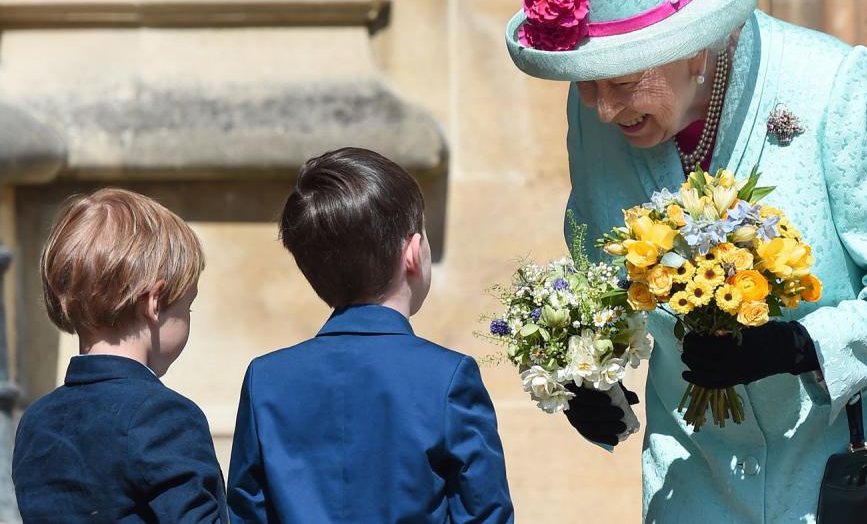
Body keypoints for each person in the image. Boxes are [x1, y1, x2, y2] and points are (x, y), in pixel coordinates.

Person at [504, 0, 867, 520]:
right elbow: (600, 273)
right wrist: (591, 378)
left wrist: (799, 345)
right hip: (697, 476)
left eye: (623, 81)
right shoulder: (591, 111)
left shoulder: (831, 85)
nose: (604, 109)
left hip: (852, 471)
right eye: (587, 82)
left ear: (695, 47)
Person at [227, 147, 514, 523]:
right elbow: (485, 514)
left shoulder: (266, 379)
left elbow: (247, 513)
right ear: (413, 253)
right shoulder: (448, 377)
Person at [13, 188, 227, 523]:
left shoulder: (36, 422)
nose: (188, 316)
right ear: (155, 303)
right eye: (188, 305)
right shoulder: (166, 417)